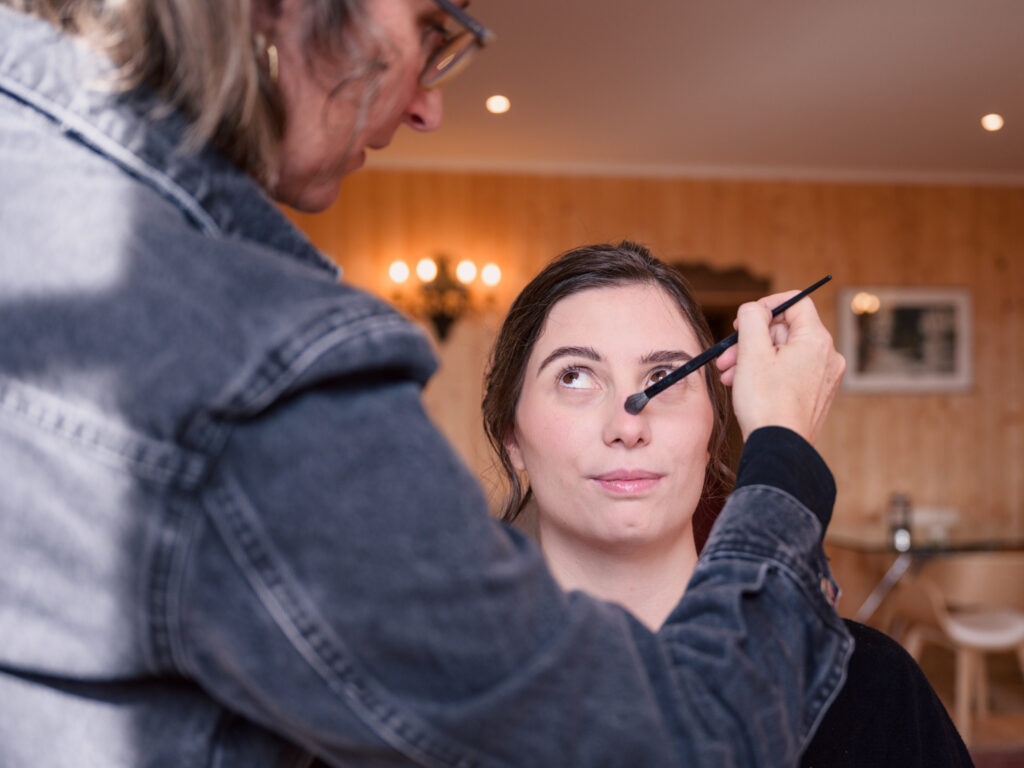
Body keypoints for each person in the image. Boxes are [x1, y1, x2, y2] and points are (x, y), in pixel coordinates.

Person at [0, 1, 852, 765]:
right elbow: (687, 742)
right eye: (429, 33)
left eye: (664, 380)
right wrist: (784, 452)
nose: (428, 106)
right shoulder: (244, 364)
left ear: (710, 423)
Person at [482, 241, 974, 767]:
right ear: (513, 435)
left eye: (661, 379)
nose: (627, 426)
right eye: (574, 375)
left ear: (714, 425)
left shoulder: (874, 686)